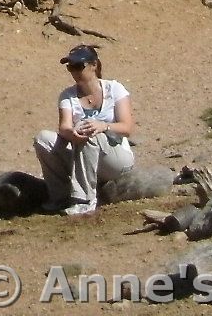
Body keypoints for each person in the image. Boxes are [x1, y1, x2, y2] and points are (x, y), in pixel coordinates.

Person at [32, 44, 135, 216]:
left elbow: (127, 127)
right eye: (70, 67)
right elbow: (64, 127)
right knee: (43, 138)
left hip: (115, 157)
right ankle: (60, 196)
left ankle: (85, 201)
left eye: (79, 66)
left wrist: (103, 126)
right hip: (83, 154)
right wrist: (72, 134)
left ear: (94, 65)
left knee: (91, 133)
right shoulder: (67, 95)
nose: (74, 72)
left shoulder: (115, 89)